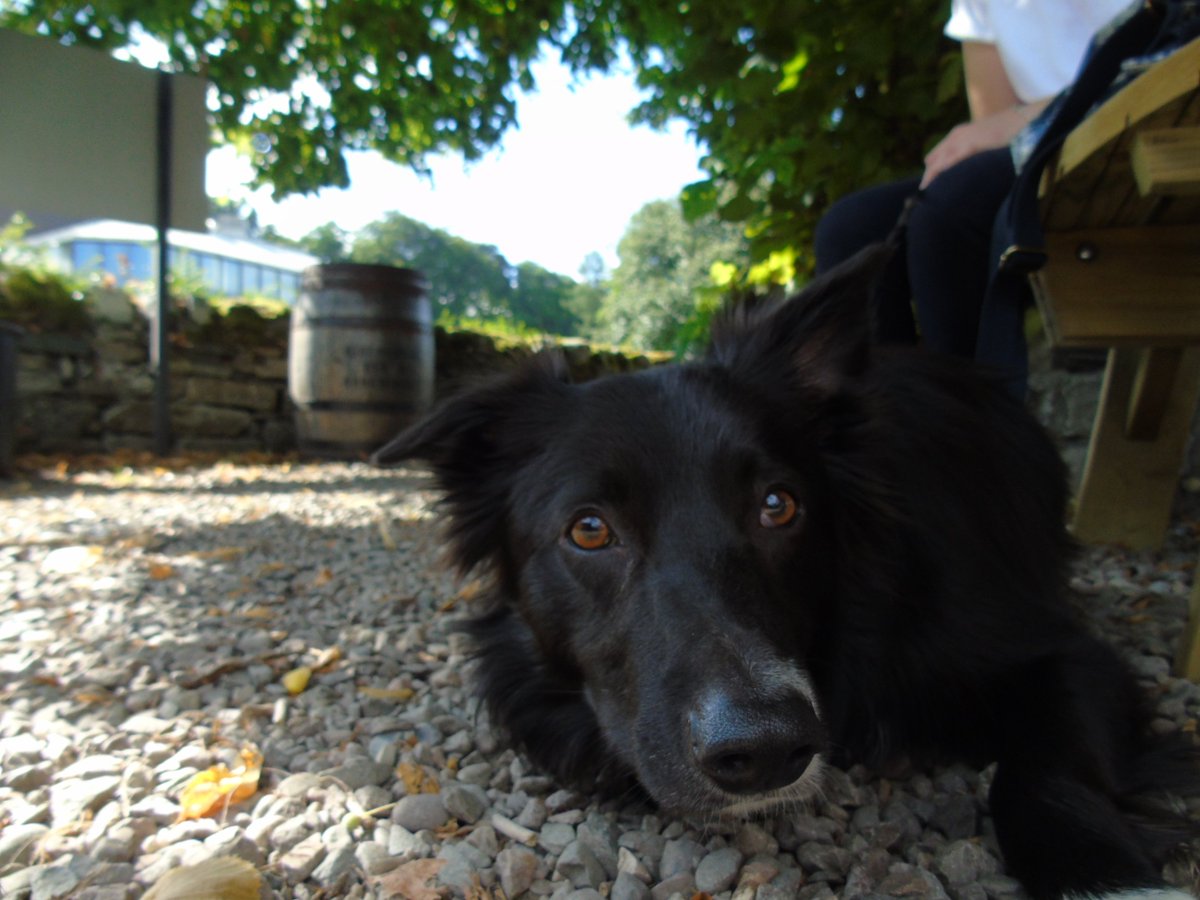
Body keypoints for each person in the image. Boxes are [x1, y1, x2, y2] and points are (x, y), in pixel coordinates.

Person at [814, 0, 1132, 375]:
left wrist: (1024, 117)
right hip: (1041, 159)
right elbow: (991, 131)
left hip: (1134, 139)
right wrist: (1013, 124)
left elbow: (1176, 49)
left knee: (950, 211)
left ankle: (977, 422)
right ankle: (889, 427)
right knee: (851, 230)